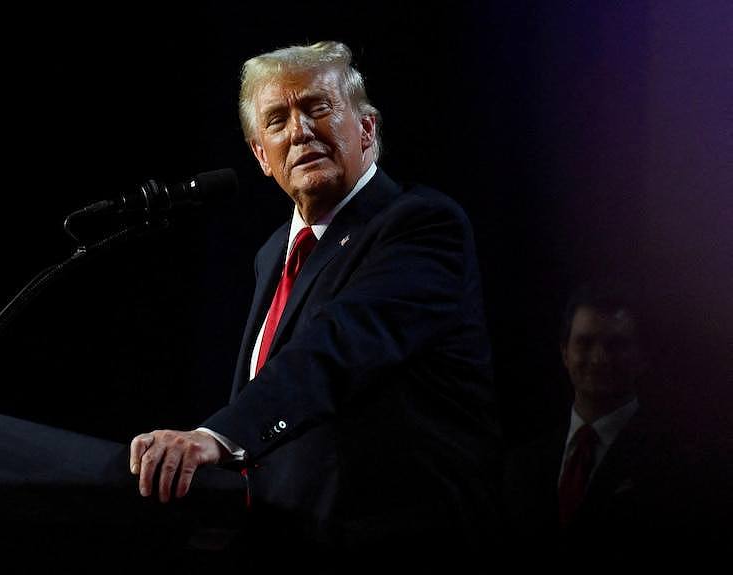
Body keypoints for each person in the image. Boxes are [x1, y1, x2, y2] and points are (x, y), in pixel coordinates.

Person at [129, 41, 500, 569]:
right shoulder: (272, 254)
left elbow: (337, 345)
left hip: (400, 546)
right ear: (261, 155)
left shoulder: (419, 225)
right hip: (291, 543)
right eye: (277, 120)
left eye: (317, 107)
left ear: (367, 129)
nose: (299, 131)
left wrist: (219, 436)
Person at [502, 282, 687, 572]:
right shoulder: (522, 465)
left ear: (642, 358)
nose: (599, 358)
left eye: (616, 345)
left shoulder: (679, 464)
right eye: (584, 343)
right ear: (564, 353)